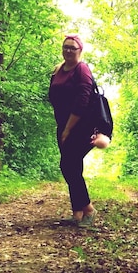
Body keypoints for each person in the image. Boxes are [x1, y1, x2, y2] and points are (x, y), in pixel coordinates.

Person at [48, 34, 97, 228]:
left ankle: (88, 209)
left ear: (80, 51)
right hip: (63, 124)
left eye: (72, 48)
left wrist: (68, 128)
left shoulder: (82, 69)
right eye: (65, 47)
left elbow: (83, 99)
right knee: (73, 167)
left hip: (80, 126)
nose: (68, 50)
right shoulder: (59, 70)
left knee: (68, 166)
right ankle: (77, 214)